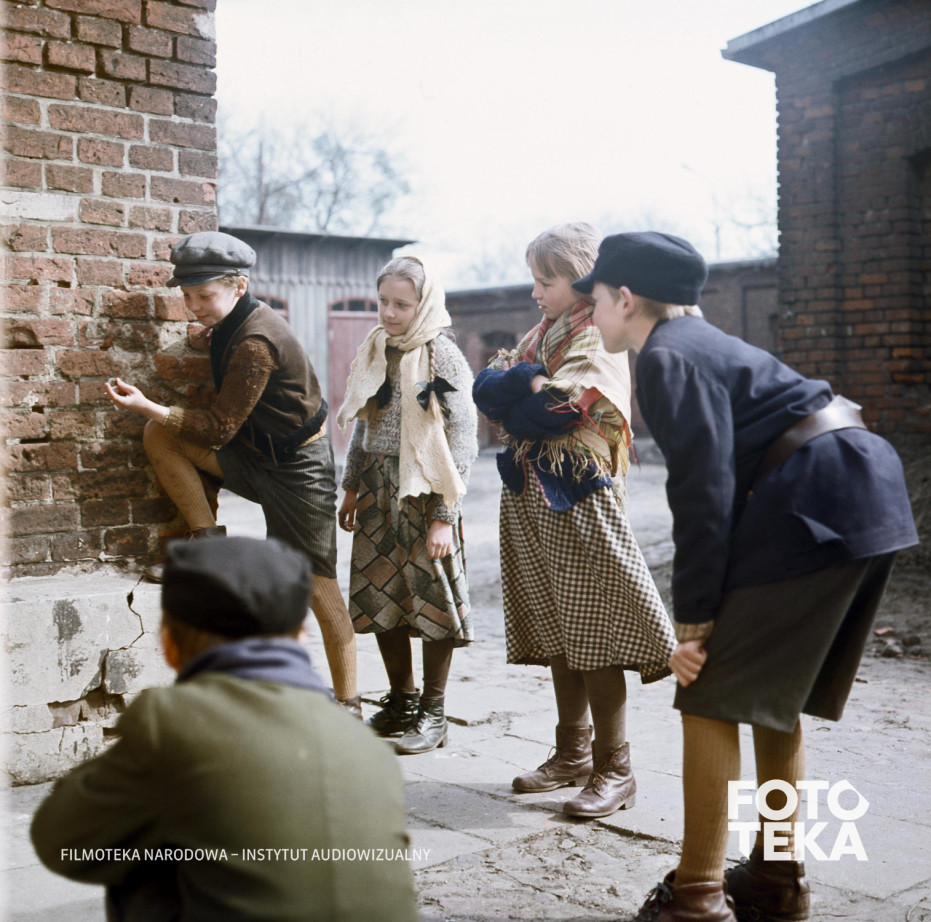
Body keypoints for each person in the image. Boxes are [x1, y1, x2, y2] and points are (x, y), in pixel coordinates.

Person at [582, 231, 919, 922]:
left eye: (595, 300)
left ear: (625, 298)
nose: (591, 314)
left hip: (815, 501)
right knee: (768, 698)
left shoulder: (666, 357)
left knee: (707, 692)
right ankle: (775, 876)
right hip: (853, 491)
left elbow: (701, 492)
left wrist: (693, 620)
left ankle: (697, 896)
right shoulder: (699, 344)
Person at [30, 535, 419, 922]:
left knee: (143, 862)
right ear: (301, 637)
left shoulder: (172, 721)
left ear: (169, 645)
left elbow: (60, 843)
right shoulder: (363, 742)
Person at [104, 231, 360, 716]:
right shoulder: (231, 322)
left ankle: (348, 703)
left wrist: (147, 405)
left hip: (298, 469)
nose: (193, 307)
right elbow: (222, 402)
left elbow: (218, 427)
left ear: (239, 286)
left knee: (316, 585)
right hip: (253, 455)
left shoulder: (257, 342)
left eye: (204, 296)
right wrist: (207, 335)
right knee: (160, 436)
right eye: (187, 296)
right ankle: (208, 547)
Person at [472, 223, 676, 819]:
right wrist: (525, 382)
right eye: (534, 279)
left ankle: (616, 768)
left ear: (584, 281)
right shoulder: (542, 334)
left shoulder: (596, 336)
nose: (535, 292)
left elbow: (557, 412)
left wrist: (522, 392)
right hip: (534, 495)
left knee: (596, 632)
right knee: (561, 628)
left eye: (546, 280)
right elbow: (485, 390)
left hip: (580, 497)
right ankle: (572, 754)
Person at [336, 255, 478, 754]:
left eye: (402, 304)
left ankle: (433, 714)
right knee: (381, 596)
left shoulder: (441, 358)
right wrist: (351, 486)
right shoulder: (377, 348)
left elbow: (462, 439)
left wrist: (444, 517)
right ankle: (401, 701)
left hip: (425, 490)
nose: (389, 313)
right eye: (383, 302)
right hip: (377, 488)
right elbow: (365, 423)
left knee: (431, 599)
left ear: (425, 304)